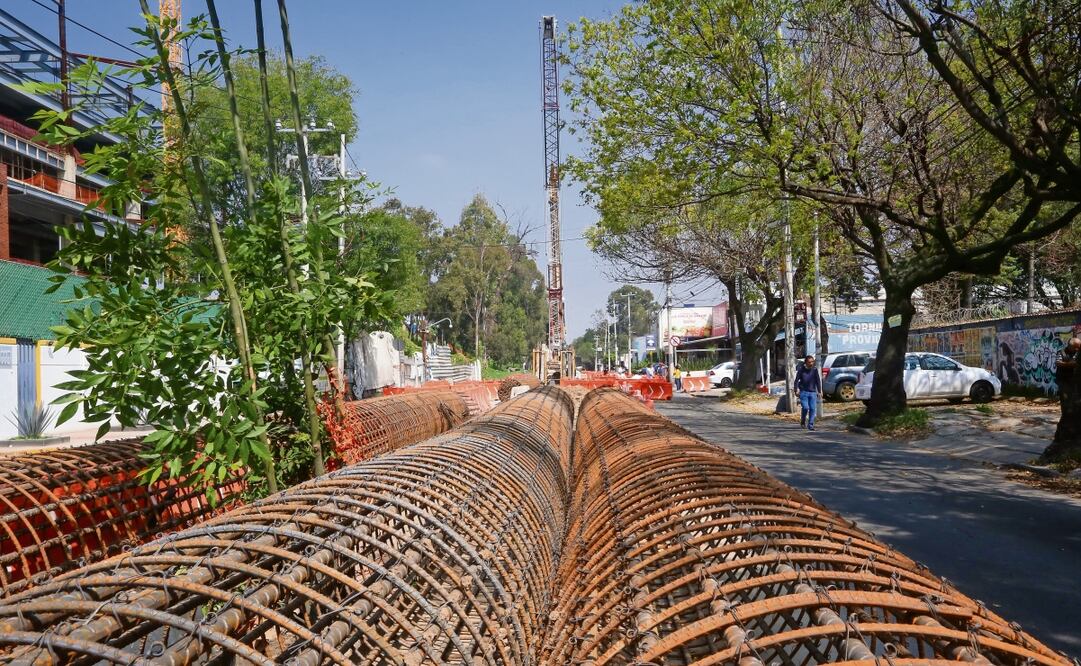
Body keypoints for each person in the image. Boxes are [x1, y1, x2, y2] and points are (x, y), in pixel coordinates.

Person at [795, 355, 821, 431]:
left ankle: (810, 425)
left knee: (812, 408)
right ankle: (803, 421)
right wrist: (796, 390)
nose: (811, 363)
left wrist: (819, 391)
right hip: (803, 392)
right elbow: (796, 380)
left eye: (812, 362)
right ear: (805, 362)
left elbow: (818, 381)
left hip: (813, 392)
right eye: (809, 362)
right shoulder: (801, 370)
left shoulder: (814, 370)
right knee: (805, 408)